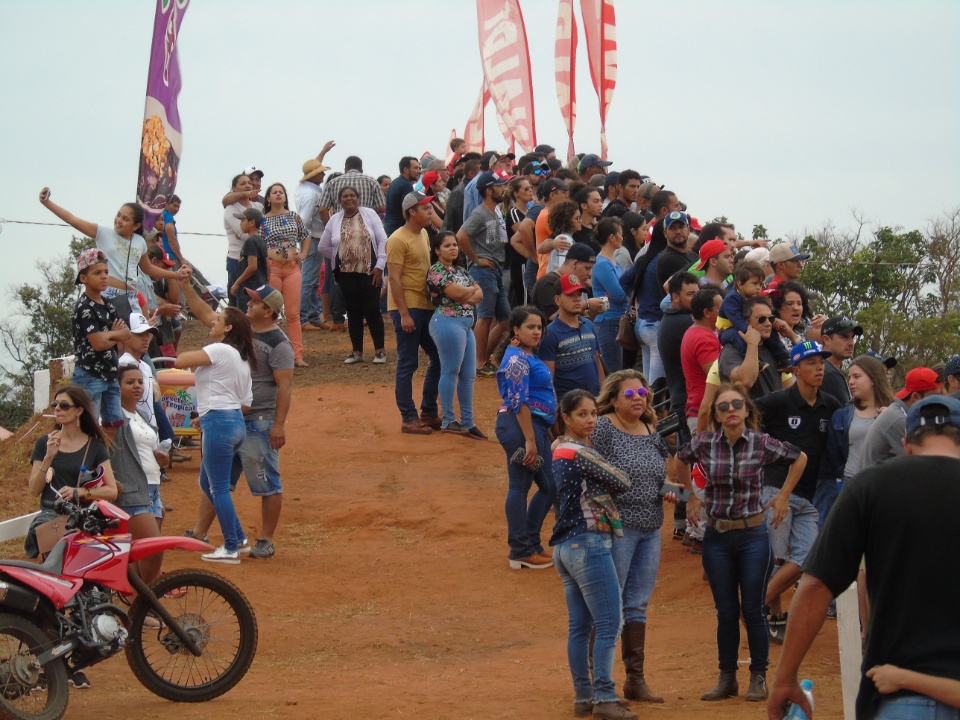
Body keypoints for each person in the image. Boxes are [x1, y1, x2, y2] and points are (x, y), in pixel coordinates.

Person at [768, 395, 960, 720]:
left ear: (906, 445)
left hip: (899, 698)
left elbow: (814, 587)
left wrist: (785, 678)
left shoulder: (871, 485)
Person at [676, 383, 807, 704]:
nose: (731, 410)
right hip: (717, 538)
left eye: (737, 404)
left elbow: (799, 457)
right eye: (723, 407)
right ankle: (727, 679)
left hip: (753, 537)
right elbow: (680, 459)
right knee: (725, 611)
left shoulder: (761, 443)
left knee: (753, 609)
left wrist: (783, 496)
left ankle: (759, 677)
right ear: (717, 415)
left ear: (747, 410)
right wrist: (689, 495)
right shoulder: (704, 442)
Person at [179, 279, 293, 560]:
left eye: (255, 301)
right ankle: (200, 532)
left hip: (259, 420)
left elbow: (285, 386)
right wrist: (186, 286)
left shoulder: (279, 344)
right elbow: (205, 313)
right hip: (235, 416)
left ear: (269, 311)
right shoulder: (238, 332)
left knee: (264, 481)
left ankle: (264, 538)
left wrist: (278, 424)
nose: (249, 303)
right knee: (216, 481)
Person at [550, 390, 638, 720]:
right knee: (608, 624)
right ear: (567, 418)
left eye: (593, 414)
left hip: (565, 547)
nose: (590, 420)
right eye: (582, 415)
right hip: (589, 544)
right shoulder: (580, 452)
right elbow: (622, 480)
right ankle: (604, 697)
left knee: (580, 627)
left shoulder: (560, 450)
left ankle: (584, 696)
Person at [754, 341, 843, 643]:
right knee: (775, 558)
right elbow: (745, 417)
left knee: (808, 558)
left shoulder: (830, 404)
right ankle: (771, 615)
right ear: (795, 369)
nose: (820, 367)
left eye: (821, 362)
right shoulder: (777, 401)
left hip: (806, 493)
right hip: (775, 489)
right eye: (812, 362)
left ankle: (754, 606)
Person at [592, 371, 671, 704]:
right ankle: (601, 683)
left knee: (637, 603)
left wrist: (668, 490)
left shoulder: (651, 429)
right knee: (612, 605)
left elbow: (660, 469)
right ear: (613, 399)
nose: (639, 397)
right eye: (630, 394)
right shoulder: (604, 428)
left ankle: (634, 680)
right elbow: (589, 468)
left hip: (651, 527)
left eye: (643, 392)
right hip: (618, 528)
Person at [174, 306, 255, 564]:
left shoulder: (220, 350)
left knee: (217, 488)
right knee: (209, 484)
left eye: (218, 320)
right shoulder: (242, 359)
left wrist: (212, 417)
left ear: (228, 328)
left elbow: (180, 361)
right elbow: (245, 403)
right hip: (234, 422)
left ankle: (231, 546)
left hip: (219, 422)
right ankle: (238, 539)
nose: (213, 323)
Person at [494, 306, 556, 570]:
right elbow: (519, 402)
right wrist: (530, 440)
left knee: (547, 486)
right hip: (521, 426)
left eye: (540, 327)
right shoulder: (517, 359)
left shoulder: (525, 355)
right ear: (516, 331)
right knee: (523, 485)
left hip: (531, 427)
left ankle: (529, 545)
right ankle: (521, 549)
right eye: (531, 327)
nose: (537, 332)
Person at [25, 385, 118, 558]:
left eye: (64, 405)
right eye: (55, 405)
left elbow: (112, 490)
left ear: (79, 410)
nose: (58, 409)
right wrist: (48, 457)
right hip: (51, 518)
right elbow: (34, 490)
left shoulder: (95, 446)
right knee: (56, 573)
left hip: (82, 518)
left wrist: (80, 491)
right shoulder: (44, 443)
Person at [387, 192, 441, 434]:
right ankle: (408, 417)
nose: (430, 212)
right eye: (426, 208)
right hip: (408, 307)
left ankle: (428, 412)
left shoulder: (423, 235)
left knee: (438, 356)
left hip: (425, 305)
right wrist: (404, 313)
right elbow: (394, 279)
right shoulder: (398, 239)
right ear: (412, 211)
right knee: (408, 362)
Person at [317, 186, 388, 364]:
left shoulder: (370, 214)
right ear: (340, 201)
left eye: (352, 196)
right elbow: (323, 246)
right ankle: (357, 352)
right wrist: (339, 257)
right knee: (353, 311)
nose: (349, 199)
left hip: (370, 271)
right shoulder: (334, 219)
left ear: (358, 198)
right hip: (346, 274)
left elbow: (382, 240)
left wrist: (380, 265)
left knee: (372, 309)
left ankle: (380, 351)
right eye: (345, 196)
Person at [426, 231, 485, 438]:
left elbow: (480, 294)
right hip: (447, 322)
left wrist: (466, 292)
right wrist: (469, 291)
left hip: (465, 323)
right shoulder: (436, 270)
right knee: (450, 370)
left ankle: (468, 422)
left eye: (455, 245)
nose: (453, 248)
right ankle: (449, 419)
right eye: (447, 245)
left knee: (468, 375)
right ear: (436, 250)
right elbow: (459, 293)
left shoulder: (460, 270)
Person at [115, 363, 168, 584]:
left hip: (153, 487)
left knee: (142, 554)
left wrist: (160, 457)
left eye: (140, 382)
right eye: (129, 382)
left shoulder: (140, 414)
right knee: (152, 550)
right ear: (116, 387)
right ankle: (142, 605)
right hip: (133, 488)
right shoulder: (113, 417)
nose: (137, 386)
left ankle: (140, 609)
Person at [67, 248, 131, 428]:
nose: (104, 276)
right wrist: (115, 335)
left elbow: (126, 334)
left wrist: (111, 336)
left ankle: (104, 456)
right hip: (90, 375)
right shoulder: (84, 307)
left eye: (106, 272)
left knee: (115, 423)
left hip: (110, 373)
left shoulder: (108, 304)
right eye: (97, 273)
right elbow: (99, 344)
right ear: (83, 278)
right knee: (88, 426)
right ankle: (87, 456)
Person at [457, 170, 512, 376]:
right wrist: (477, 259)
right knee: (485, 316)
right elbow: (461, 235)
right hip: (483, 270)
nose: (503, 189)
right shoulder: (480, 213)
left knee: (505, 319)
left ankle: (480, 359)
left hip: (494, 269)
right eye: (500, 186)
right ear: (489, 190)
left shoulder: (494, 212)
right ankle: (479, 362)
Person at [261, 182, 310, 367]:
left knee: (292, 313)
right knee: (272, 311)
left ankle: (298, 355)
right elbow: (259, 242)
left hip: (291, 268)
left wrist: (303, 253)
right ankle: (271, 353)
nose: (278, 195)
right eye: (274, 192)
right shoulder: (262, 220)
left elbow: (306, 235)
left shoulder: (293, 217)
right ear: (268, 198)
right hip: (272, 267)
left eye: (281, 192)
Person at [859, 365, 944, 467]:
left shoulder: (901, 412)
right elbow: (922, 462)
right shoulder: (899, 419)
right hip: (874, 481)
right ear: (915, 396)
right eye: (934, 397)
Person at [537, 273, 604, 400]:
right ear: (557, 300)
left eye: (579, 294)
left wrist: (603, 395)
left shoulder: (589, 325)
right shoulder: (550, 334)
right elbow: (548, 379)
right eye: (570, 295)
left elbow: (597, 364)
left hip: (594, 401)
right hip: (569, 405)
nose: (577, 299)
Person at [718, 262, 791, 371]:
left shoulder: (752, 298)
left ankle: (782, 357)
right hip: (727, 329)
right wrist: (750, 333)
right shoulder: (732, 299)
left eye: (761, 285)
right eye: (755, 283)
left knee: (770, 329)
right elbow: (736, 320)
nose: (758, 288)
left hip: (747, 325)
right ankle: (751, 358)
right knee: (738, 335)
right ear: (740, 284)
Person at [296, 143, 336, 331]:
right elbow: (303, 220)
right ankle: (304, 318)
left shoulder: (303, 188)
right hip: (313, 237)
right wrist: (305, 242)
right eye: (320, 172)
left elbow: (312, 166)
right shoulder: (312, 195)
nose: (323, 174)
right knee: (309, 280)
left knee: (311, 279)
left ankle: (311, 316)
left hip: (313, 237)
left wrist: (322, 153)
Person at [718, 297, 787, 400]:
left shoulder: (773, 349)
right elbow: (745, 382)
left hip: (775, 414)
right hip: (747, 414)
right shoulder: (731, 350)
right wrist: (752, 343)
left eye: (771, 319)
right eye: (761, 319)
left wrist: (792, 335)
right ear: (745, 322)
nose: (768, 323)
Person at [658, 271, 700, 432]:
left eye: (697, 293)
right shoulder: (683, 323)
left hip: (682, 400)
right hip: (688, 403)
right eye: (690, 294)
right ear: (675, 297)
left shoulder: (672, 317)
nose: (696, 299)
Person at [681, 287, 723, 436]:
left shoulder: (694, 332)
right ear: (707, 312)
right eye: (720, 308)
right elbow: (719, 376)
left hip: (701, 410)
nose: (724, 312)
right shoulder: (704, 338)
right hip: (706, 414)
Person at [592, 218, 629, 372]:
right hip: (608, 322)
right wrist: (625, 291)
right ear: (611, 237)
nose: (622, 237)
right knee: (614, 373)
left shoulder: (614, 262)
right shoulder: (602, 264)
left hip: (619, 321)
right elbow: (620, 295)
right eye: (620, 233)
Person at [221, 173, 262, 305]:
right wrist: (258, 233)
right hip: (237, 259)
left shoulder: (258, 207)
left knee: (257, 297)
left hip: (257, 258)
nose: (248, 185)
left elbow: (266, 231)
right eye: (243, 183)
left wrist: (255, 232)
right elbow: (243, 234)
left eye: (249, 183)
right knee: (240, 298)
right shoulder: (230, 209)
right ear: (234, 188)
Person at [531, 243, 600, 319]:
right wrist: (587, 304)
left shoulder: (577, 284)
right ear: (575, 264)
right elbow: (554, 317)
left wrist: (595, 310)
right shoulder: (548, 282)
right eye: (587, 268)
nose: (590, 274)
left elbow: (577, 319)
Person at [318, 155, 387, 222]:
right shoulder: (372, 182)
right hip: (365, 227)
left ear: (345, 169)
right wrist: (368, 210)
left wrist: (329, 228)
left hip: (340, 228)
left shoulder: (332, 183)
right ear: (362, 170)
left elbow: (322, 209)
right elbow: (382, 207)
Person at [503, 176, 535, 308]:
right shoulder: (514, 213)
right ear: (516, 193)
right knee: (525, 301)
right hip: (521, 263)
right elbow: (524, 235)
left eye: (531, 188)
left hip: (529, 262)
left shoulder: (530, 212)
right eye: (526, 189)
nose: (530, 191)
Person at [230, 208, 269, 312]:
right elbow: (268, 265)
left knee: (245, 318)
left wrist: (237, 283)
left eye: (243, 220)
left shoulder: (250, 242)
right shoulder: (261, 241)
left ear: (252, 223)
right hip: (260, 286)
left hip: (249, 289)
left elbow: (252, 266)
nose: (240, 224)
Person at [820, 315, 862, 403]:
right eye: (845, 337)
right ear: (826, 340)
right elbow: (845, 414)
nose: (851, 343)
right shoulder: (827, 372)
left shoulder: (832, 369)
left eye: (852, 337)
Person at [384, 156, 422, 235]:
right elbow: (407, 212)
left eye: (419, 168)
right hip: (399, 231)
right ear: (406, 170)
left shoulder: (395, 182)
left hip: (389, 229)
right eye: (416, 168)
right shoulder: (406, 185)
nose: (419, 171)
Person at [161, 195, 186, 265]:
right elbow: (172, 239)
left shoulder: (159, 215)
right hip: (170, 256)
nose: (177, 209)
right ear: (167, 204)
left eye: (178, 207)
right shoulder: (168, 217)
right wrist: (181, 258)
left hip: (160, 254)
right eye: (174, 206)